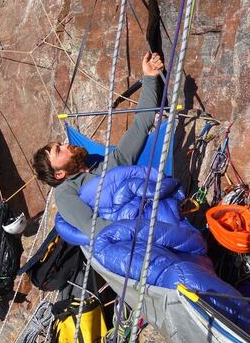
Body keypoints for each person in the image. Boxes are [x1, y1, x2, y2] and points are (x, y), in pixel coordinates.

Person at [32, 52, 165, 236]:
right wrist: (140, 230)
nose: (65, 144)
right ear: (59, 173)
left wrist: (149, 78)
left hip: (156, 211)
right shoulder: (66, 193)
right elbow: (93, 227)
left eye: (59, 143)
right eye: (59, 150)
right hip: (137, 235)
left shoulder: (111, 161)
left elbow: (142, 123)